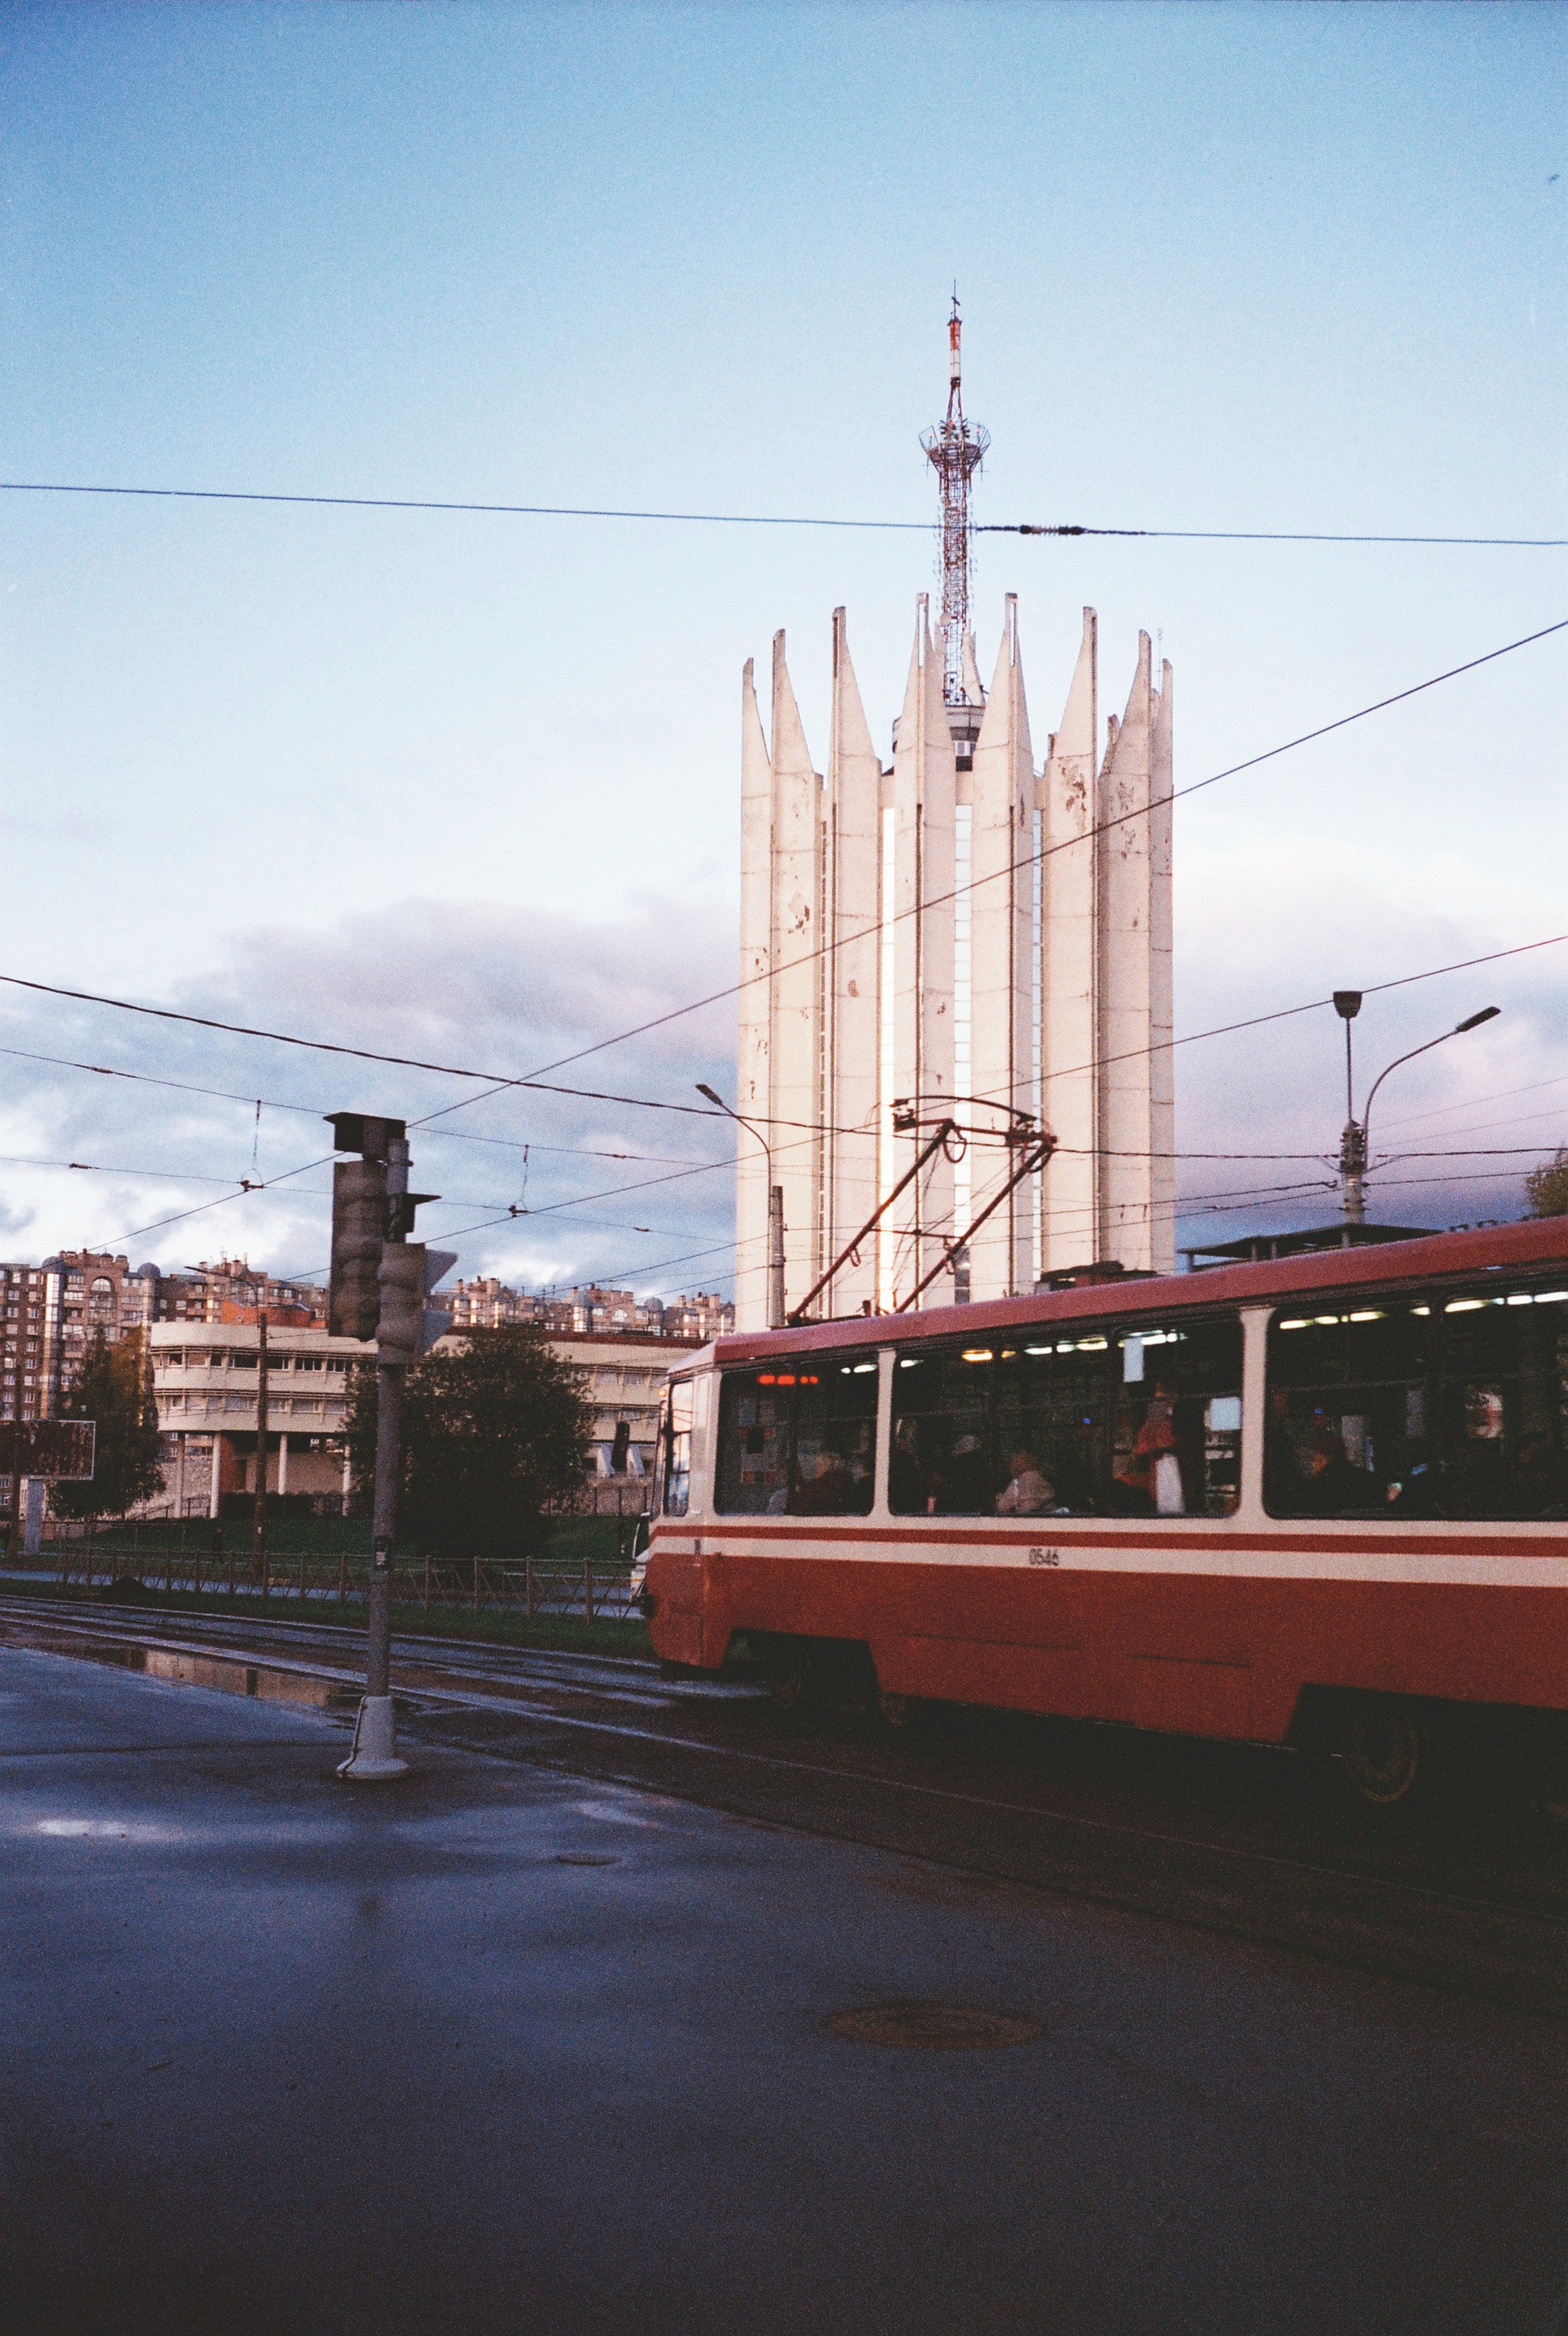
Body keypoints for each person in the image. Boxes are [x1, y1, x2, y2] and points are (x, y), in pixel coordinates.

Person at [1297, 1426, 1380, 1515]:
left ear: (1321, 1458)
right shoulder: (1368, 1480)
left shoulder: (1314, 1489)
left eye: (1313, 1459)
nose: (1313, 1464)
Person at [996, 1450, 1055, 1517]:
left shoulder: (1018, 1482)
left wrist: (1000, 1499)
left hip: (1027, 1518)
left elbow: (1003, 1506)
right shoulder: (1041, 1479)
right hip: (1048, 1518)